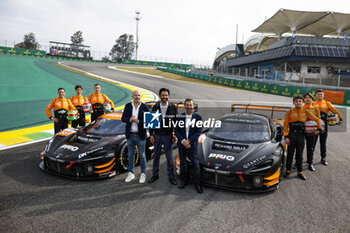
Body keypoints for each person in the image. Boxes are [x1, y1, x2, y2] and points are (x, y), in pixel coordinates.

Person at [284, 96, 322, 180]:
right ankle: (288, 171)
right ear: (294, 103)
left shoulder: (306, 111)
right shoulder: (289, 112)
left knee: (299, 154)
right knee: (290, 154)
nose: (298, 102)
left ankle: (300, 172)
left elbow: (317, 119)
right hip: (291, 136)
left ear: (302, 103)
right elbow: (285, 125)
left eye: (300, 101)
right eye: (296, 101)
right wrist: (286, 137)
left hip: (301, 135)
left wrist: (319, 129)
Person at [148, 88, 178, 185]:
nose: (164, 97)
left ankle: (171, 176)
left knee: (169, 158)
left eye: (166, 95)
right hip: (157, 135)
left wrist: (175, 135)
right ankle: (155, 175)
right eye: (163, 95)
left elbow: (176, 123)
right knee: (156, 156)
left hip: (168, 136)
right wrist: (151, 135)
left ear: (168, 96)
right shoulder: (155, 106)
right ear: (160, 96)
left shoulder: (173, 107)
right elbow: (151, 122)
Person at [175, 98, 203, 193]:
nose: (189, 107)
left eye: (190, 105)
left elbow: (198, 132)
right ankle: (184, 181)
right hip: (182, 144)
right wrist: (183, 141)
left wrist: (189, 141)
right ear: (184, 106)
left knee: (196, 164)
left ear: (193, 106)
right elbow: (177, 131)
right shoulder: (180, 117)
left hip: (192, 145)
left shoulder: (198, 117)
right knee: (182, 164)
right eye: (187, 105)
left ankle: (197, 184)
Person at [122, 90, 149, 183]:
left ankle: (143, 173)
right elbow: (123, 118)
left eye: (139, 95)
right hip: (130, 135)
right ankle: (130, 173)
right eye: (135, 95)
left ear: (141, 96)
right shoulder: (128, 106)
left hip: (140, 135)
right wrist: (130, 119)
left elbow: (148, 121)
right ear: (132, 96)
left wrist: (138, 121)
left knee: (142, 155)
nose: (137, 97)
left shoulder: (145, 107)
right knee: (130, 155)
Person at [312, 89, 343, 166]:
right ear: (316, 95)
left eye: (321, 94)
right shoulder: (313, 103)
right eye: (318, 94)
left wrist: (340, 118)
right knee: (312, 143)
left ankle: (323, 158)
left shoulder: (327, 103)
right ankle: (310, 158)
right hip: (314, 126)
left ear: (323, 95)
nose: (320, 95)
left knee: (323, 143)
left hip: (324, 126)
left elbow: (335, 111)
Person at [303, 92, 321, 172]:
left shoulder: (315, 109)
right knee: (300, 148)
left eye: (309, 98)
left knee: (310, 148)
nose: (308, 99)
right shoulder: (300, 107)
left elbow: (319, 120)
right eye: (306, 97)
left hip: (312, 132)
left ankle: (310, 163)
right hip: (302, 132)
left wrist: (318, 129)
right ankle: (297, 163)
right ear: (304, 99)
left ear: (312, 100)